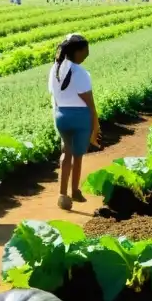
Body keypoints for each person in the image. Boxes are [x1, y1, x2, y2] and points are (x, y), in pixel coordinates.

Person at [48, 34, 100, 211]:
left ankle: (63, 195)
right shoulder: (81, 73)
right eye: (86, 50)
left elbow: (54, 97)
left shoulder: (55, 69)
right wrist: (96, 124)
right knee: (78, 155)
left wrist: (57, 115)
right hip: (80, 117)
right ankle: (75, 190)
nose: (87, 54)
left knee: (66, 152)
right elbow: (90, 103)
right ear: (77, 52)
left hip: (61, 115)